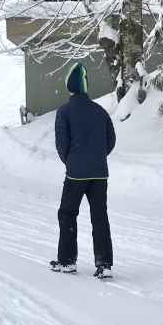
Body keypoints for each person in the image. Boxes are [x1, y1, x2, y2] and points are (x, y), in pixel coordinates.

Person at [52, 63, 117, 279]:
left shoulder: (64, 112)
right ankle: (104, 264)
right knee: (100, 217)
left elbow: (62, 145)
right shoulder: (100, 111)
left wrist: (71, 162)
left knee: (68, 214)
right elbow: (111, 141)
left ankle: (67, 261)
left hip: (76, 174)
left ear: (70, 86)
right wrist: (97, 157)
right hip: (100, 173)